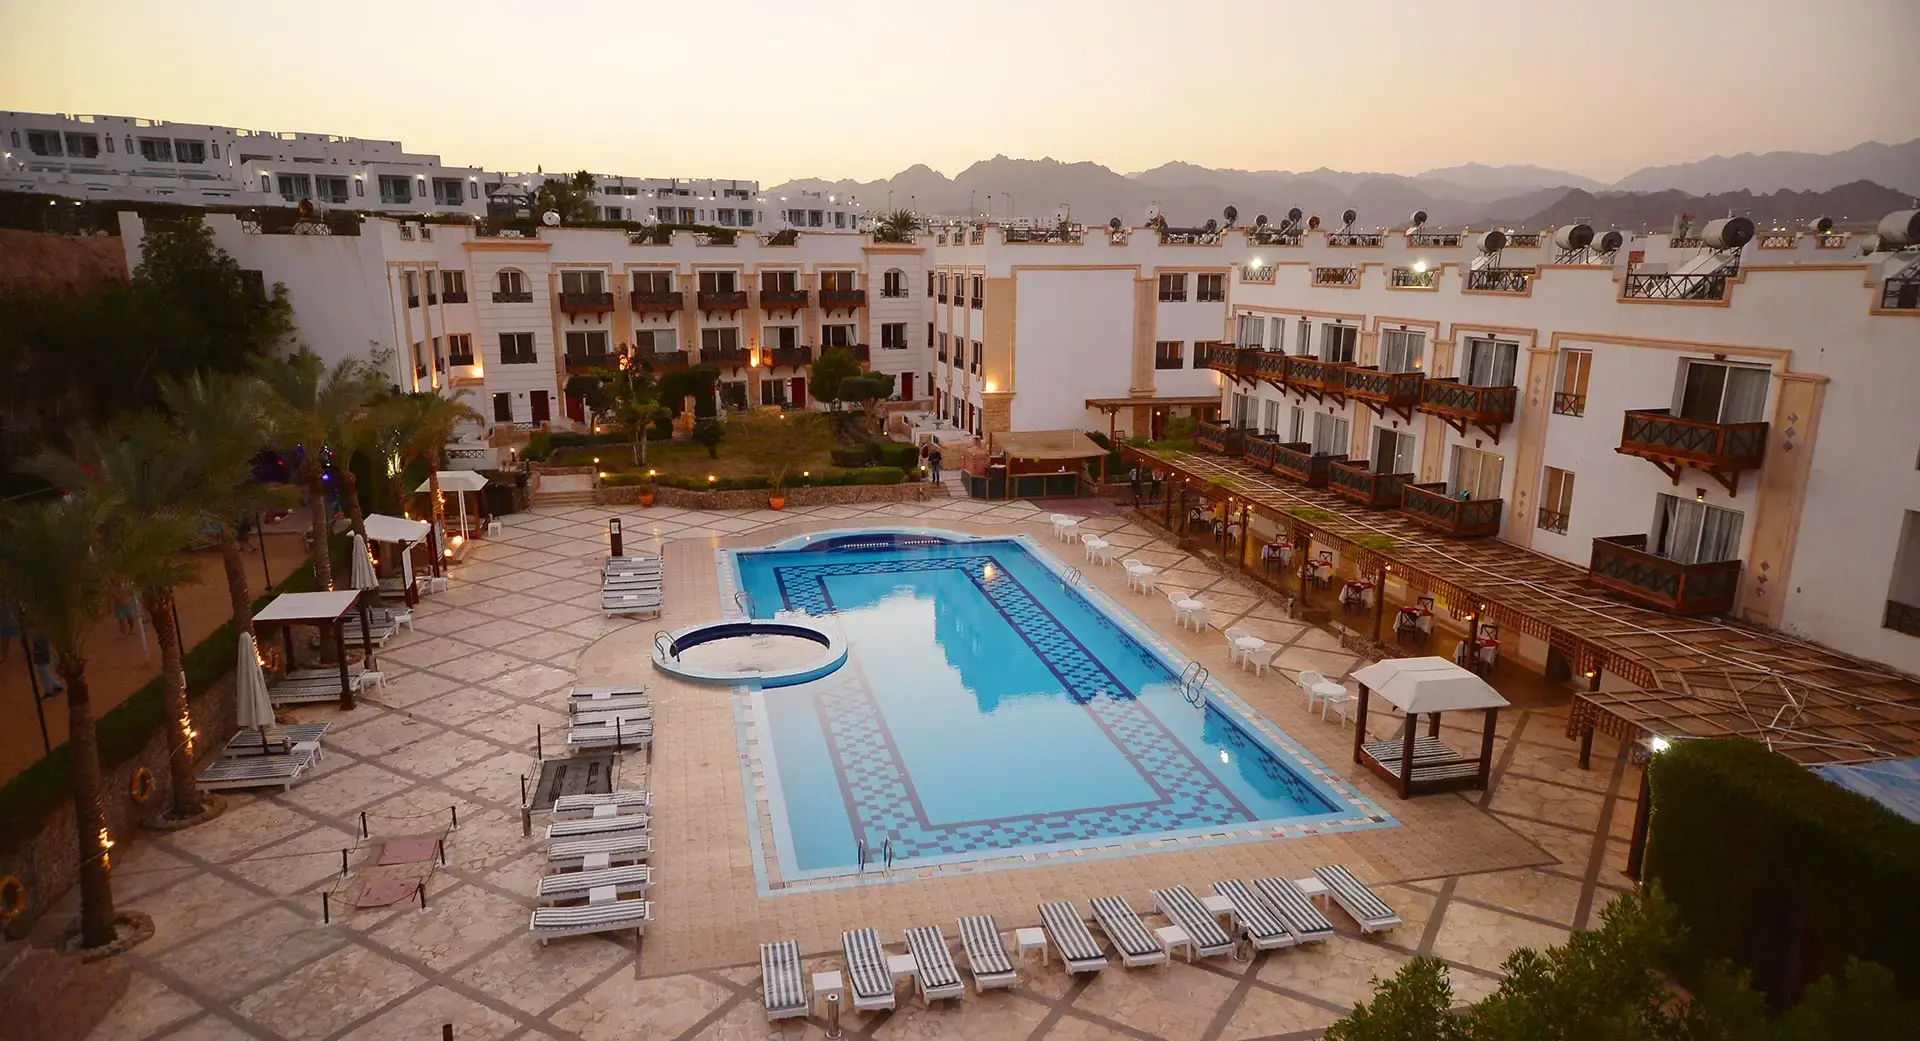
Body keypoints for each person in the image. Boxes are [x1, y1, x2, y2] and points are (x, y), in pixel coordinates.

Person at [31, 633, 62, 697]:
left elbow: (41, 647)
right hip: (43, 656)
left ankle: (50, 692)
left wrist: (34, 651)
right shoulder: (42, 633)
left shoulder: (39, 636)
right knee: (46, 672)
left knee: (43, 675)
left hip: (41, 657)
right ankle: (56, 685)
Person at [0, 599, 18, 664]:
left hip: (8, 625)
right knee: (3, 641)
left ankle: (5, 653)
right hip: (2, 625)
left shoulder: (11, 605)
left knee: (7, 640)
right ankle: (3, 656)